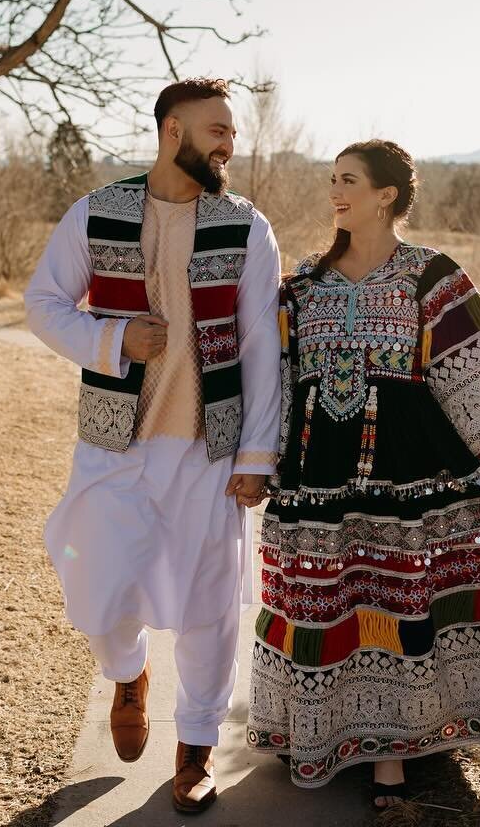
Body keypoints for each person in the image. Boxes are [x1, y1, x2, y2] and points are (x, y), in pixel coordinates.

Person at [247, 140, 480, 811]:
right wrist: (260, 460)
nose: (336, 190)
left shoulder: (431, 275)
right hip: (318, 473)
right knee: (332, 602)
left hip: (411, 468)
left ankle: (393, 754)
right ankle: (316, 731)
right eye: (332, 180)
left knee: (395, 604)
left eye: (349, 180)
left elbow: (473, 364)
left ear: (386, 194)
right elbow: (274, 380)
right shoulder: (301, 285)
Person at [25, 78, 281, 815]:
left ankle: (194, 749)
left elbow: (262, 342)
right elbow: (42, 303)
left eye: (231, 131)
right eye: (215, 130)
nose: (228, 142)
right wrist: (112, 340)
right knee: (101, 590)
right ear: (173, 130)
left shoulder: (245, 225)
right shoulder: (97, 211)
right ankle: (127, 670)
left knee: (209, 605)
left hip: (208, 447)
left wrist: (257, 454)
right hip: (114, 441)